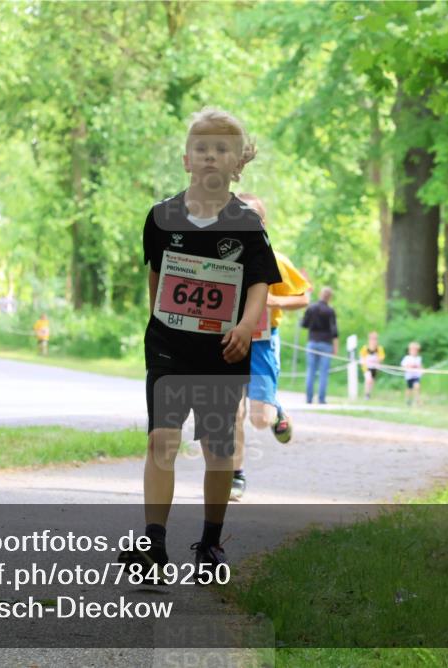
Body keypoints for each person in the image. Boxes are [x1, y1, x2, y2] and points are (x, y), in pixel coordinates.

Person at [117, 107, 280, 577]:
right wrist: (161, 322)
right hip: (169, 346)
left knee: (218, 448)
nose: (211, 156)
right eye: (202, 148)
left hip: (223, 350)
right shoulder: (161, 216)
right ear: (187, 159)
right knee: (161, 441)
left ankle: (210, 543)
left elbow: (259, 284)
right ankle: (154, 546)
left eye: (222, 149)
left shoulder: (247, 222)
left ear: (237, 163)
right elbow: (157, 276)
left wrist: (247, 327)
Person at [230, 192, 311, 501]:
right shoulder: (222, 259)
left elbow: (303, 297)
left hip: (262, 344)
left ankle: (276, 412)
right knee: (232, 413)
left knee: (259, 419)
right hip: (229, 342)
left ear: (262, 224)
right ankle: (236, 476)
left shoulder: (275, 260)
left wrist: (274, 300)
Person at [301, 287, 338, 404]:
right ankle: (321, 399)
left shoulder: (311, 308)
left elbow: (304, 324)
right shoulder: (330, 311)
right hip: (326, 344)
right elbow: (334, 331)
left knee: (311, 371)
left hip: (312, 342)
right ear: (330, 297)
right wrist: (335, 347)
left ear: (320, 294)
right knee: (323, 372)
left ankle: (309, 398)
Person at [360, 331, 386, 400]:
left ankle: (369, 393)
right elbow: (362, 358)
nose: (373, 341)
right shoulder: (365, 348)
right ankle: (366, 394)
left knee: (372, 381)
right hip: (366, 367)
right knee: (368, 379)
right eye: (372, 339)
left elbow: (381, 358)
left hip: (374, 368)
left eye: (375, 339)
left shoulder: (379, 349)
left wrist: (378, 362)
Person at [400, 342, 423, 407]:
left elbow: (420, 366)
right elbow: (403, 366)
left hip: (416, 376)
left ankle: (417, 400)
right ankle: (408, 400)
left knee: (417, 386)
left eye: (416, 350)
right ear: (409, 351)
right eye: (413, 350)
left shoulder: (419, 358)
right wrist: (409, 366)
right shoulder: (407, 358)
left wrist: (422, 370)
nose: (414, 352)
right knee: (409, 389)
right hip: (409, 376)